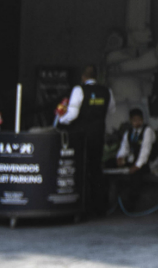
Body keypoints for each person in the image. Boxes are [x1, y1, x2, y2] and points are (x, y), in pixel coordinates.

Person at [58, 65, 115, 217]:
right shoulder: (107, 91)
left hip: (81, 136)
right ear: (96, 77)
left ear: (83, 77)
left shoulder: (79, 90)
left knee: (81, 169)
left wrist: (60, 120)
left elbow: (72, 114)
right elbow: (111, 110)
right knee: (96, 169)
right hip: (98, 135)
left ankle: (82, 207)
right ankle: (99, 207)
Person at [115, 108, 157, 211]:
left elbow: (145, 151)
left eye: (139, 120)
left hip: (147, 163)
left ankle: (131, 204)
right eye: (134, 120)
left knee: (136, 175)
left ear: (142, 120)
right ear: (131, 121)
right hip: (134, 160)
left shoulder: (148, 131)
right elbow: (124, 147)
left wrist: (137, 166)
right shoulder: (129, 133)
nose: (137, 123)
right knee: (111, 165)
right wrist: (120, 157)